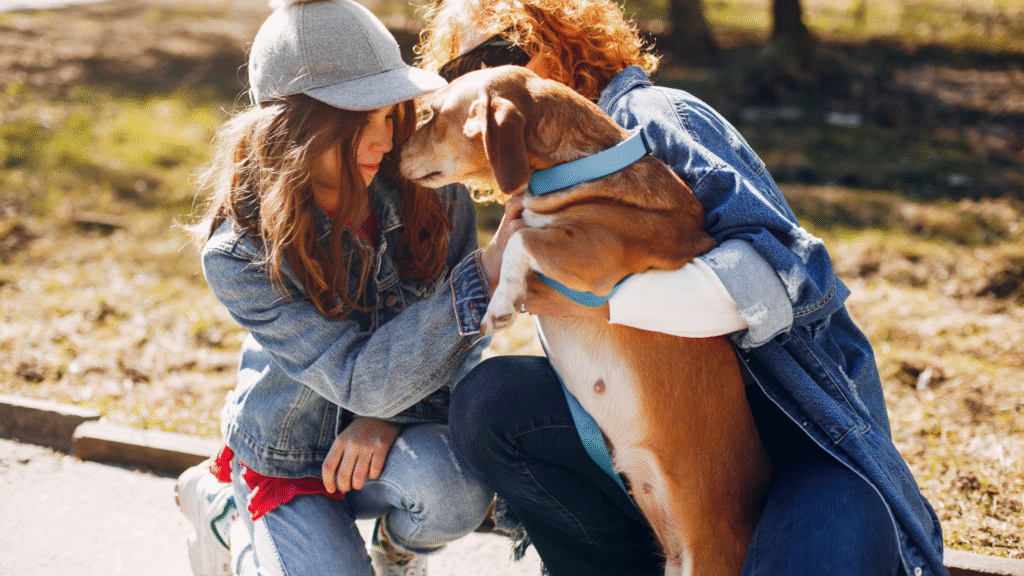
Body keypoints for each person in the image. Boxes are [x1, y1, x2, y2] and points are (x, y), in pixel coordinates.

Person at [417, 1, 949, 576]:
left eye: (494, 59)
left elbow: (787, 280)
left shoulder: (652, 116)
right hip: (665, 444)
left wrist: (602, 299)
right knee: (490, 403)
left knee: (821, 541)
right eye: (458, 80)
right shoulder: (549, 184)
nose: (478, 95)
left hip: (796, 434)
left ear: (555, 44)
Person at [175, 1, 519, 575]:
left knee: (454, 491)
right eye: (365, 121)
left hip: (392, 437)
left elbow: (463, 340)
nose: (387, 141)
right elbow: (357, 378)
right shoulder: (239, 253)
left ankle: (397, 552)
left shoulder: (432, 190)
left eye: (393, 115)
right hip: (288, 458)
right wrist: (483, 274)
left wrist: (386, 418)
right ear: (302, 129)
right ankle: (223, 509)